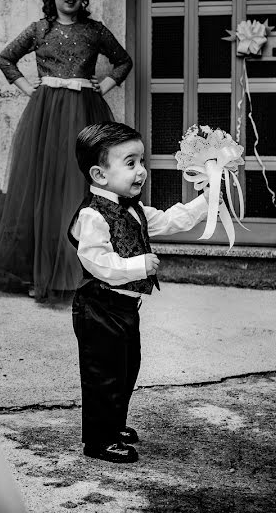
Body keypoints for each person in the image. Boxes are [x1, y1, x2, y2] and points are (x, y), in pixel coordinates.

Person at [0, 0, 133, 302]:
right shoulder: (40, 30)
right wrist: (31, 89)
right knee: (45, 188)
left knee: (81, 188)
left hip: (84, 111)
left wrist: (106, 84)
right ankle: (41, 272)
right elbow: (5, 58)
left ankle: (83, 270)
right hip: (47, 116)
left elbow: (124, 60)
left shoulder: (94, 30)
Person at [68, 121, 210, 463]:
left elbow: (171, 220)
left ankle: (113, 423)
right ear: (100, 175)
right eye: (130, 163)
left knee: (127, 367)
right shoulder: (92, 215)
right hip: (99, 306)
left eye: (141, 161)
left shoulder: (133, 208)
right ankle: (98, 441)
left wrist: (209, 200)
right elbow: (96, 262)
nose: (141, 171)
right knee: (103, 374)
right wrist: (138, 265)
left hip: (124, 308)